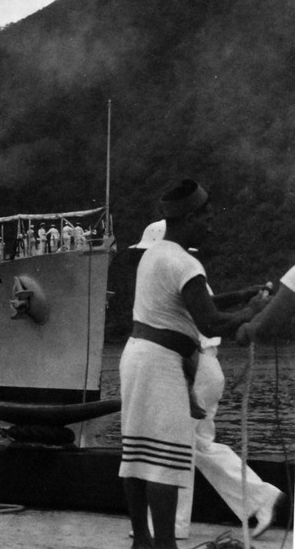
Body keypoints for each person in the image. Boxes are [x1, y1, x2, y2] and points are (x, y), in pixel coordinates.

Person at [119, 180, 266, 549]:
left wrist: (243, 294)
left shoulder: (156, 254)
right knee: (166, 461)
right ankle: (166, 544)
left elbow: (196, 302)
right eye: (206, 217)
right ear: (189, 217)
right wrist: (250, 313)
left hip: (137, 355)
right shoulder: (184, 261)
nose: (211, 225)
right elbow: (210, 322)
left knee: (136, 455)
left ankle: (143, 539)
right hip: (161, 362)